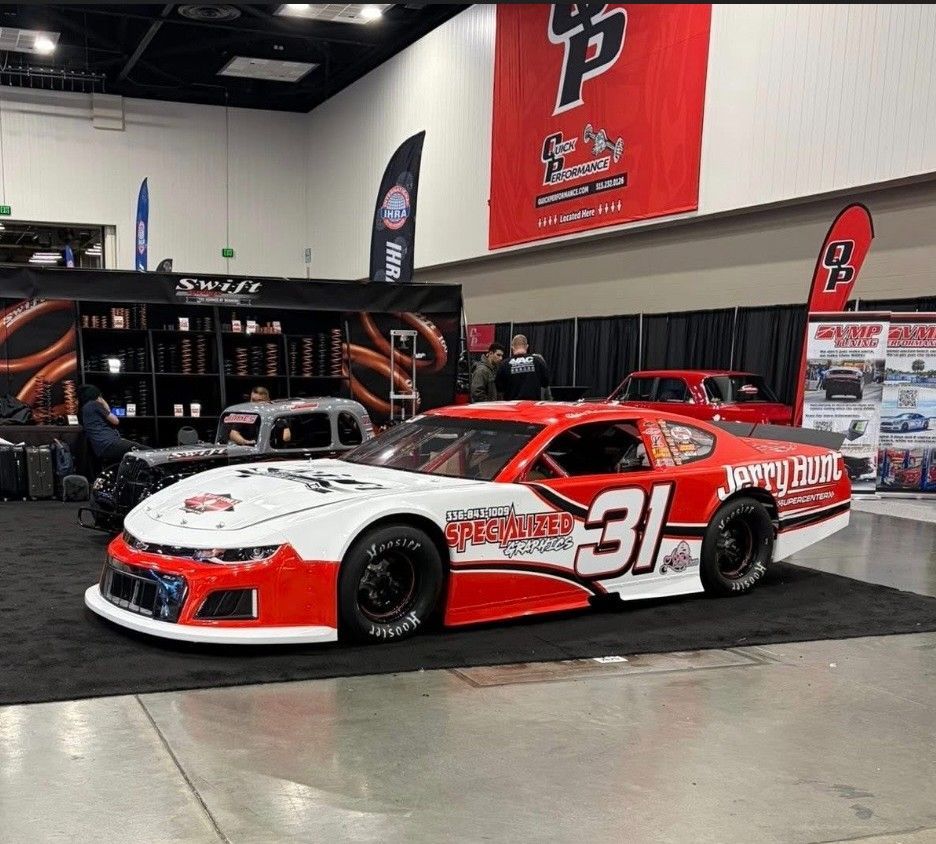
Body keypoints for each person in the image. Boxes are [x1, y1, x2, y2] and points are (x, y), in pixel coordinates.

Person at [79, 385, 139, 466]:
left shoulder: (84, 408)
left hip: (101, 447)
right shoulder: (94, 404)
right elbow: (115, 420)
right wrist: (101, 400)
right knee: (146, 451)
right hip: (109, 443)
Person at [495, 334, 552, 401]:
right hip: (533, 407)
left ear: (512, 347)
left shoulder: (504, 364)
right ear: (527, 346)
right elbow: (545, 383)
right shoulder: (538, 361)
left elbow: (499, 388)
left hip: (512, 407)